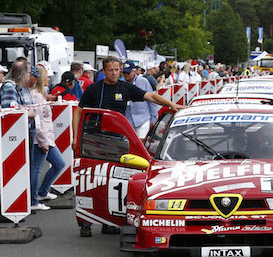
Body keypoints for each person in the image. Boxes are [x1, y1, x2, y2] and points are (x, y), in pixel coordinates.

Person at [73, 56, 185, 237]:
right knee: (90, 178)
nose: (114, 73)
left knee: (111, 180)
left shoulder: (125, 87)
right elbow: (79, 111)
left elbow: (151, 96)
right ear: (104, 71)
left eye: (117, 70)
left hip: (117, 142)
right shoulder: (94, 89)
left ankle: (108, 220)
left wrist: (171, 104)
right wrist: (75, 137)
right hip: (94, 140)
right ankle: (85, 221)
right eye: (110, 70)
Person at [28, 66, 66, 211]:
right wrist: (44, 141)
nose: (49, 79)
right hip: (42, 139)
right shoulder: (37, 96)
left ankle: (41, 193)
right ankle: (34, 200)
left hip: (45, 138)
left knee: (58, 164)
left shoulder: (38, 95)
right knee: (37, 169)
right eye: (47, 77)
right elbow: (38, 121)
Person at [1, 59, 37, 198]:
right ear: (22, 74)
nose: (29, 75)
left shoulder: (15, 86)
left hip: (19, 135)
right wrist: (29, 113)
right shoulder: (10, 87)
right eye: (28, 72)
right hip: (15, 137)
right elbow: (9, 112)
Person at [122, 60, 159, 140]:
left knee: (140, 145)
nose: (126, 75)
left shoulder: (144, 81)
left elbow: (152, 100)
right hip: (127, 120)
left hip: (143, 119)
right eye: (124, 73)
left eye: (128, 73)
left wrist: (153, 118)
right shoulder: (121, 83)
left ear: (134, 71)